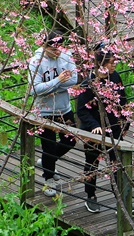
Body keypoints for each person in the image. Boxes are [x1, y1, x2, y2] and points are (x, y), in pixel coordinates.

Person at [76, 49, 129, 214]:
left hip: (112, 128)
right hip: (94, 131)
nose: (114, 65)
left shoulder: (115, 77)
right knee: (92, 163)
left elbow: (123, 100)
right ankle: (90, 196)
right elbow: (81, 110)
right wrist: (93, 125)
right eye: (111, 62)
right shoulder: (88, 82)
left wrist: (124, 122)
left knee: (116, 163)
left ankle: (121, 199)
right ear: (101, 64)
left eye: (115, 62)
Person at [27, 29, 78, 197]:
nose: (58, 52)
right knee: (48, 146)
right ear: (44, 46)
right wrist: (58, 81)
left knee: (70, 140)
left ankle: (49, 161)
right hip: (44, 111)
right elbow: (36, 89)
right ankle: (48, 178)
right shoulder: (36, 62)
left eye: (60, 48)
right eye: (54, 49)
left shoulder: (66, 56)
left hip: (64, 108)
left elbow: (74, 80)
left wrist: (52, 86)